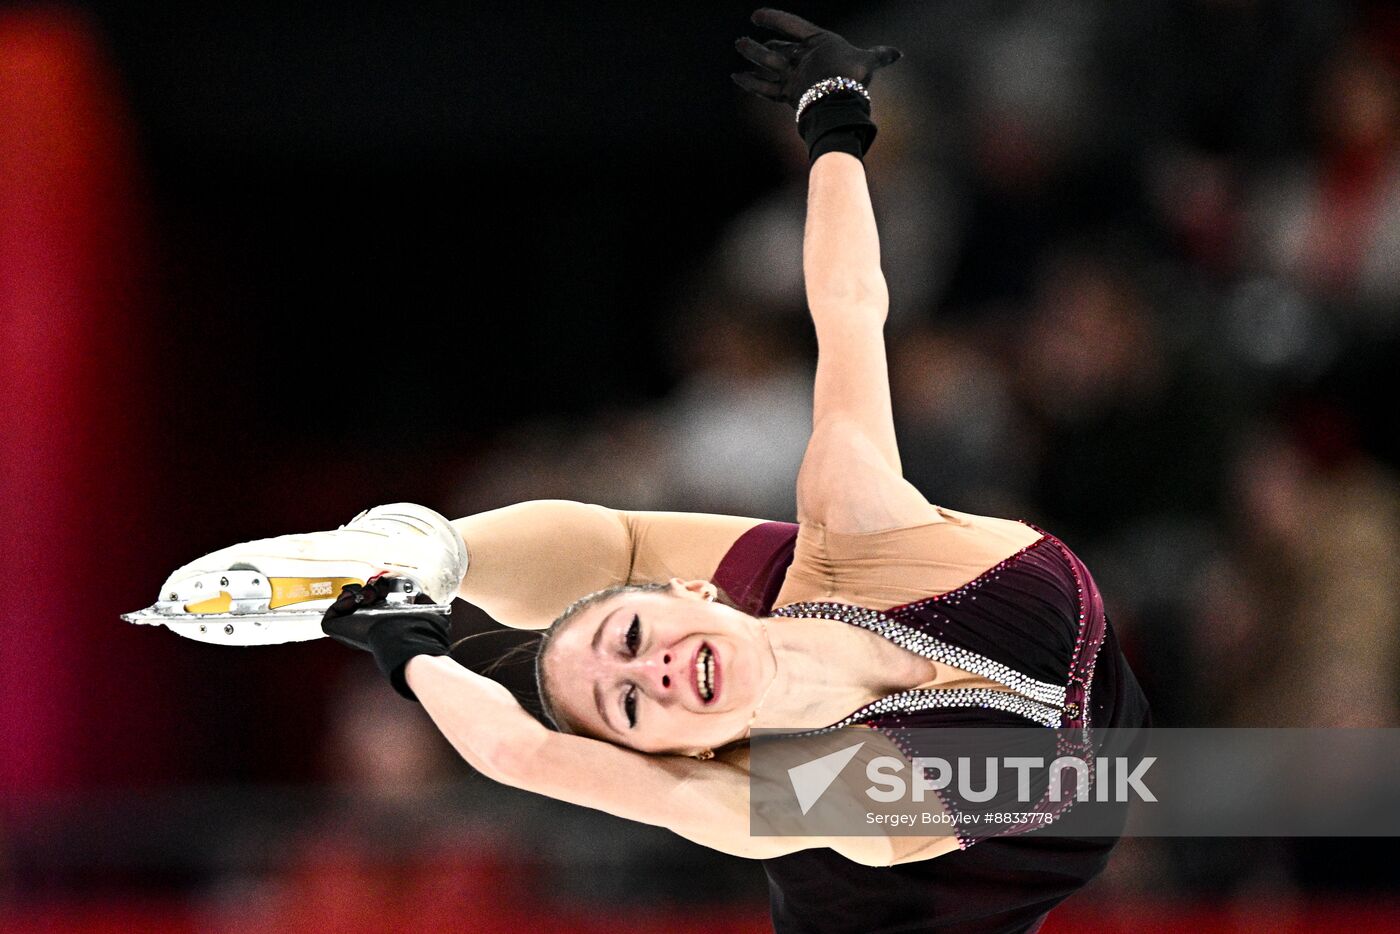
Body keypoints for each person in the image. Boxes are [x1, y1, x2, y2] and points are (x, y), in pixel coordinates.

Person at [154, 11, 1149, 932]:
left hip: (946, 621)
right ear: (675, 751)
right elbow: (519, 753)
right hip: (961, 877)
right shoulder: (799, 796)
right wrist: (407, 655)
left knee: (629, 538)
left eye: (630, 638)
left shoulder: (852, 526)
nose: (655, 669)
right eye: (632, 705)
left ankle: (420, 545)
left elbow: (850, 308)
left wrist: (834, 120)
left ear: (689, 596)